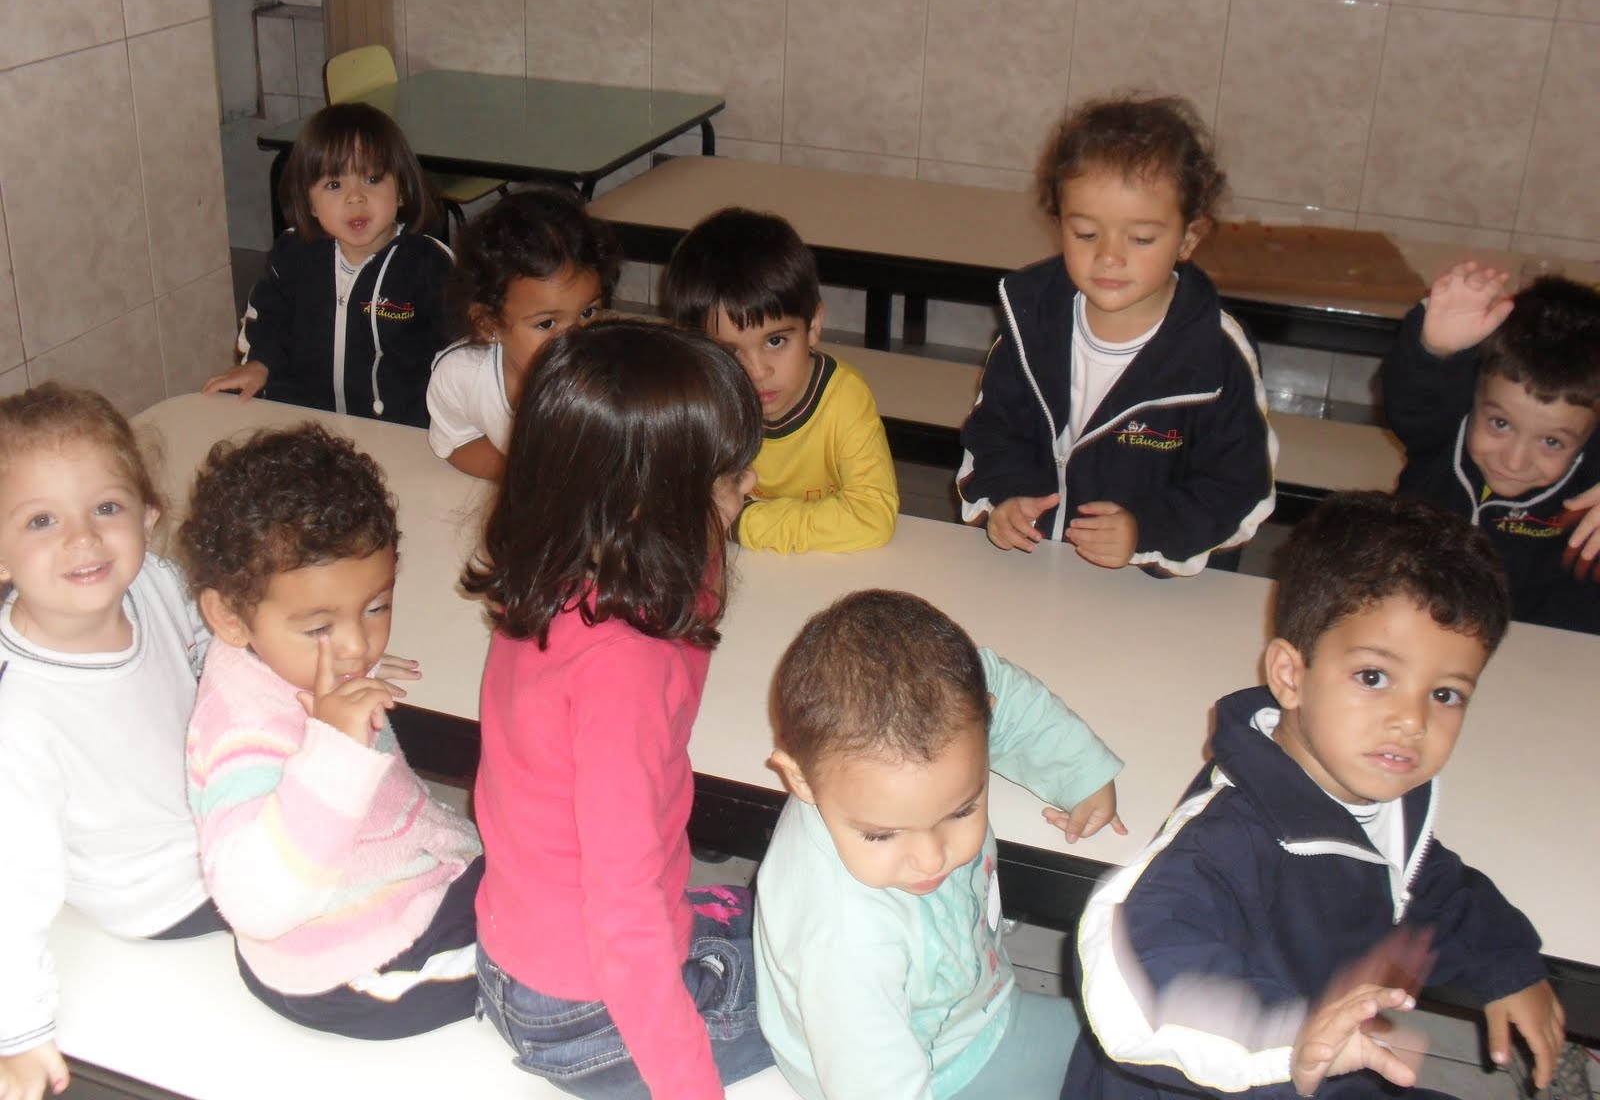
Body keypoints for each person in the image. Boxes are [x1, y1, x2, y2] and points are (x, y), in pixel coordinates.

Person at [1065, 490, 1566, 1100]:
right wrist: (1296, 1043)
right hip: (1237, 1078)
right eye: (1374, 677)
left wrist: (1508, 965)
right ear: (1289, 675)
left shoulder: (1368, 783)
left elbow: (1424, 881)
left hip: (1323, 1058)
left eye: (1445, 694)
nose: (1412, 721)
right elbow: (1137, 977)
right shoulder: (1226, 839)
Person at [465, 320, 773, 1098]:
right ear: (649, 510)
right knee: (836, 990)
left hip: (519, 957)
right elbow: (625, 913)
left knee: (779, 923)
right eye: (728, 479)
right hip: (586, 1015)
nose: (749, 487)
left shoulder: (554, 576)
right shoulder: (625, 667)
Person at [757, 589, 1125, 1100]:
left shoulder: (894, 754)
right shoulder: (846, 942)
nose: (932, 858)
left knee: (1137, 1056)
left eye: (961, 811)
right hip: (937, 1069)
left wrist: (1078, 770)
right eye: (882, 834)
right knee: (1135, 1065)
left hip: (971, 1007)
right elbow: (876, 1086)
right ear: (799, 779)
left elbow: (1000, 689)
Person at [179, 424, 482, 1038]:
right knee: (548, 952)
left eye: (375, 607)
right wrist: (335, 749)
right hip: (355, 969)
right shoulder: (243, 738)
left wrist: (337, 669)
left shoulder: (276, 658)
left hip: (377, 895)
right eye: (320, 628)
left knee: (537, 871)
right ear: (230, 617)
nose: (356, 645)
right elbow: (256, 904)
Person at [0, 383, 222, 1100]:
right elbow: (10, 885)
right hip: (166, 888)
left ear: (147, 516)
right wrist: (18, 1035)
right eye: (41, 520)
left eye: (106, 508)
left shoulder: (152, 579)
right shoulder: (19, 711)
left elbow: (208, 643)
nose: (83, 538)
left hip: (223, 811)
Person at [958, 95, 1275, 574]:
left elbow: (1239, 489)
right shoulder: (1031, 323)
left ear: (1189, 238)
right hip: (1039, 568)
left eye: (1141, 239)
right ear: (1059, 224)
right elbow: (994, 432)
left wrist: (1145, 531)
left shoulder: (1216, 354)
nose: (1109, 257)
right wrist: (1004, 498)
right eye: (1086, 234)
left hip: (1156, 584)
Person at [662, 207, 898, 554]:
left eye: (775, 341)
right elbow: (674, 503)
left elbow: (873, 516)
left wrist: (744, 523)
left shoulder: (846, 399)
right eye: (730, 352)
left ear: (813, 325)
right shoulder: (698, 401)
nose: (757, 372)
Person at [1381, 262, 1600, 634]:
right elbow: (1413, 397)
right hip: (1415, 621)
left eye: (1552, 442)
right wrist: (1433, 351)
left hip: (1547, 645)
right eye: (1499, 424)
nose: (1514, 461)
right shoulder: (1443, 428)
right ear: (1473, 394)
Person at [202, 102, 451, 428]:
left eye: (372, 179)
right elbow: (268, 318)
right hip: (305, 426)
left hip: (399, 433)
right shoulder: (293, 254)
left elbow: (458, 351)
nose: (355, 197)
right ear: (310, 203)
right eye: (334, 185)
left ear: (402, 189)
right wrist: (259, 364)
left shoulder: (428, 265)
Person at [427, 187, 620, 480]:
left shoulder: (616, 379)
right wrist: (525, 476)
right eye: (547, 324)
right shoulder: (461, 376)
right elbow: (457, 443)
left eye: (588, 313)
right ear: (489, 325)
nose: (575, 339)